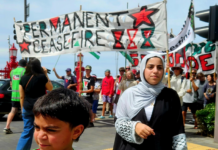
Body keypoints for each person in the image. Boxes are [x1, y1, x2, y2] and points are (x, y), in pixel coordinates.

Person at [113, 54, 187, 150]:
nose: (155, 71)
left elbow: (178, 129)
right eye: (150, 67)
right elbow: (118, 121)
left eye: (159, 68)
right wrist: (134, 127)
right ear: (143, 69)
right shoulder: (129, 94)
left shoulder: (171, 95)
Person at [16, 58, 53, 150]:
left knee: (27, 131)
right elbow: (50, 88)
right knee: (44, 131)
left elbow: (21, 96)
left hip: (27, 107)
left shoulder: (23, 78)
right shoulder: (41, 77)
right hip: (40, 108)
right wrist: (45, 73)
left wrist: (22, 109)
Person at [3, 59, 26, 134]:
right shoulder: (24, 71)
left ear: (18, 64)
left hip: (14, 95)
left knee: (13, 111)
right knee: (25, 111)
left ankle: (7, 127)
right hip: (22, 95)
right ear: (25, 65)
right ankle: (27, 128)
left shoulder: (12, 71)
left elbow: (11, 83)